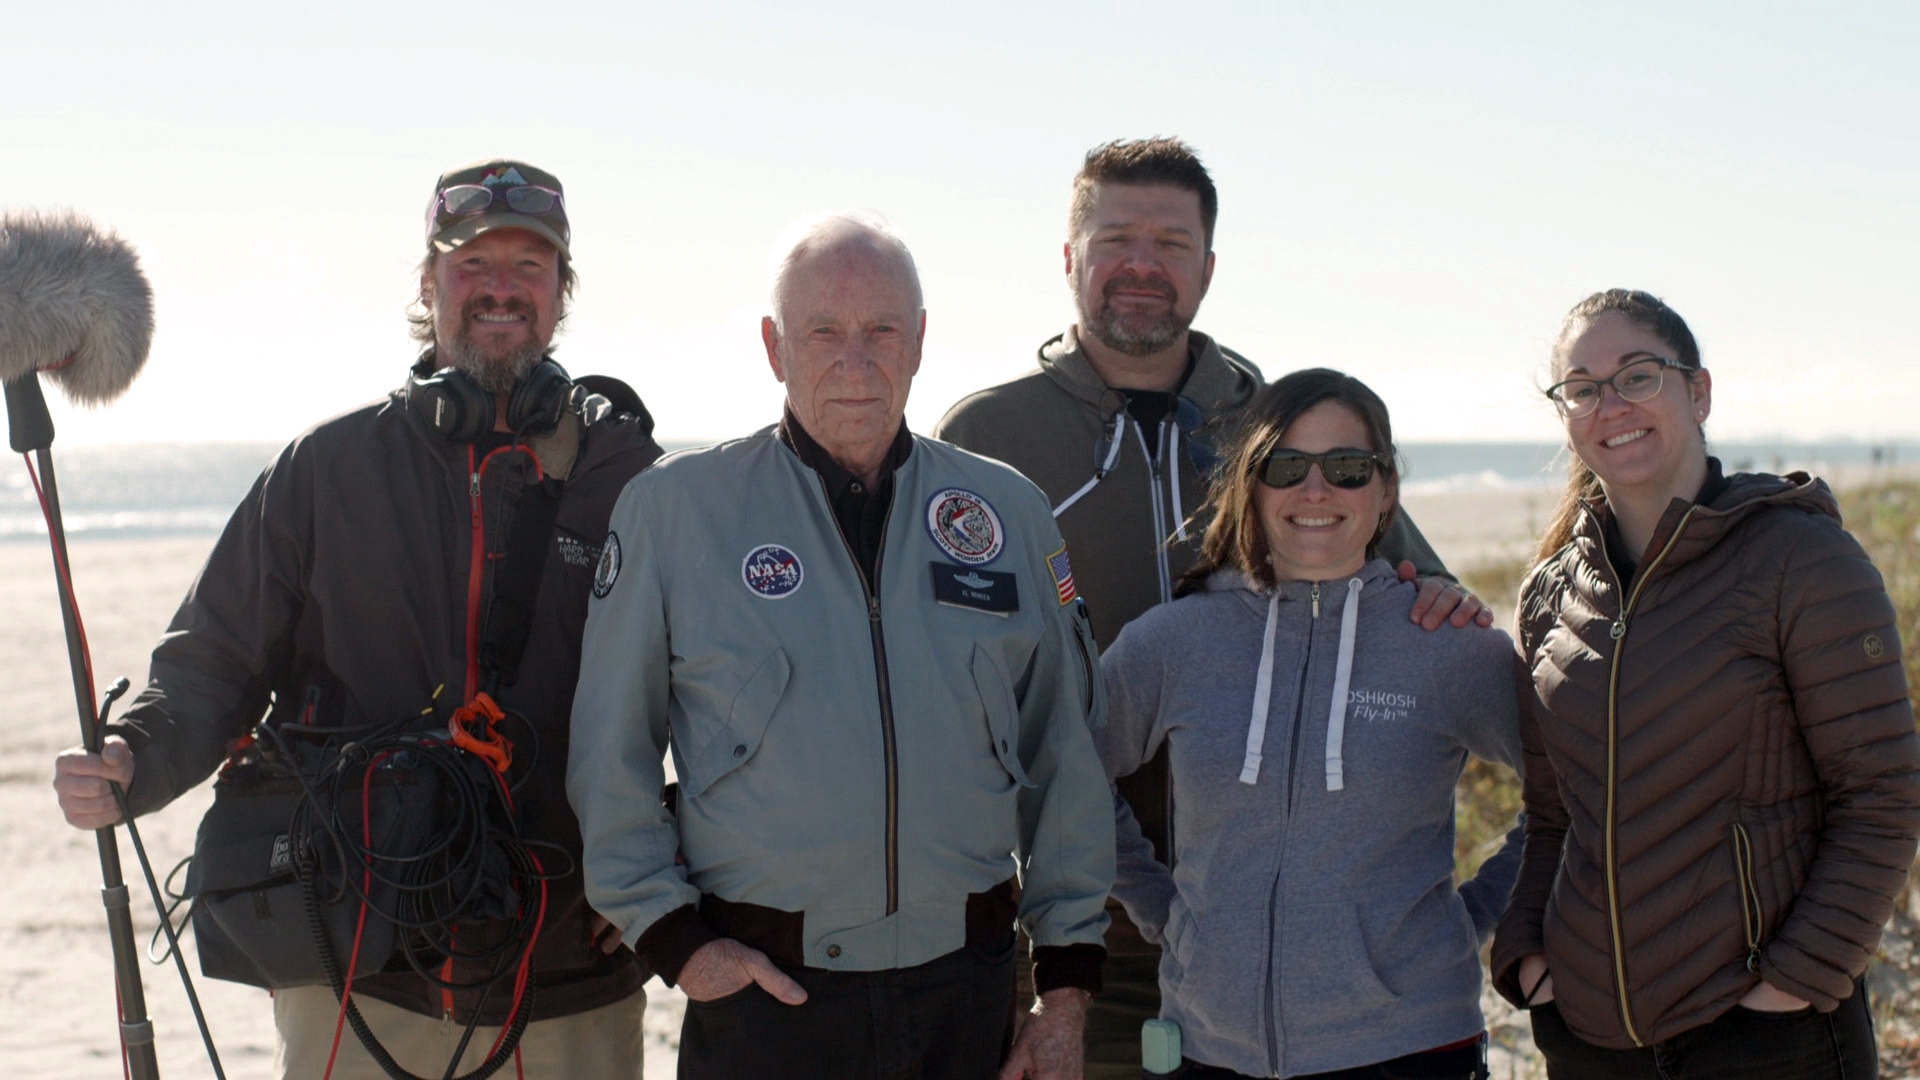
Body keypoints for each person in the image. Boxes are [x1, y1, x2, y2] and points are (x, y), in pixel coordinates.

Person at [51, 158, 663, 1079]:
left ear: (561, 290)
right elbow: (212, 664)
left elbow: (720, 696)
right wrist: (136, 754)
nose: (500, 287)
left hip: (569, 976)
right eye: (472, 262)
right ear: (428, 283)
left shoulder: (633, 479)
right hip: (356, 971)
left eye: (529, 266)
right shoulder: (323, 469)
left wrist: (668, 861)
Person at [932, 137, 1487, 1075]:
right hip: (1063, 927)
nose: (1143, 265)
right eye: (1116, 239)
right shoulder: (988, 435)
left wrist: (1437, 597)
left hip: (1268, 939)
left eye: (1172, 243)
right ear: (1069, 257)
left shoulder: (1276, 424)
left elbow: (1407, 584)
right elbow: (935, 669)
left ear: (1210, 267)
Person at [567, 212, 1114, 1080]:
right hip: (764, 999)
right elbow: (610, 749)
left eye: (881, 330)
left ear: (920, 340)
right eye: (823, 331)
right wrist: (675, 942)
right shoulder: (676, 510)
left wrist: (1066, 988)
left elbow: (1066, 755)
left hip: (967, 1000)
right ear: (774, 347)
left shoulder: (1007, 512)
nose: (855, 361)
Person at [1489, 289, 1920, 1078]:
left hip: (1769, 1037)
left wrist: (1793, 988)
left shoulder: (1799, 560)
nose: (1611, 404)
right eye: (1582, 388)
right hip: (1591, 1037)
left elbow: (1883, 795)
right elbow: (1553, 816)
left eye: (1638, 376)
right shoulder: (1550, 596)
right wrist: (1530, 958)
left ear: (1698, 391)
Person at [1094, 369, 1520, 1079]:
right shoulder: (1175, 640)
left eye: (1347, 468)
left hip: (1411, 1050)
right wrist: (1162, 913)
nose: (1315, 490)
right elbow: (1071, 775)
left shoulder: (1447, 644)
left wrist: (1469, 921)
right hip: (1210, 1049)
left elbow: (1577, 793)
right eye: (1285, 466)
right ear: (1251, 484)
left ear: (1386, 489)